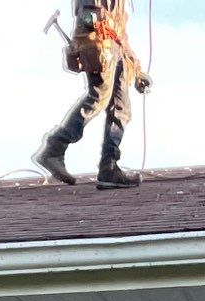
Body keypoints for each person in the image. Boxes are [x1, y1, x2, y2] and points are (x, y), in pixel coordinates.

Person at [34, 0, 151, 189]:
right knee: (98, 98)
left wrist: (136, 71)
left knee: (121, 109)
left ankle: (109, 168)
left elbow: (120, 33)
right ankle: (54, 147)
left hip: (114, 46)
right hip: (99, 42)